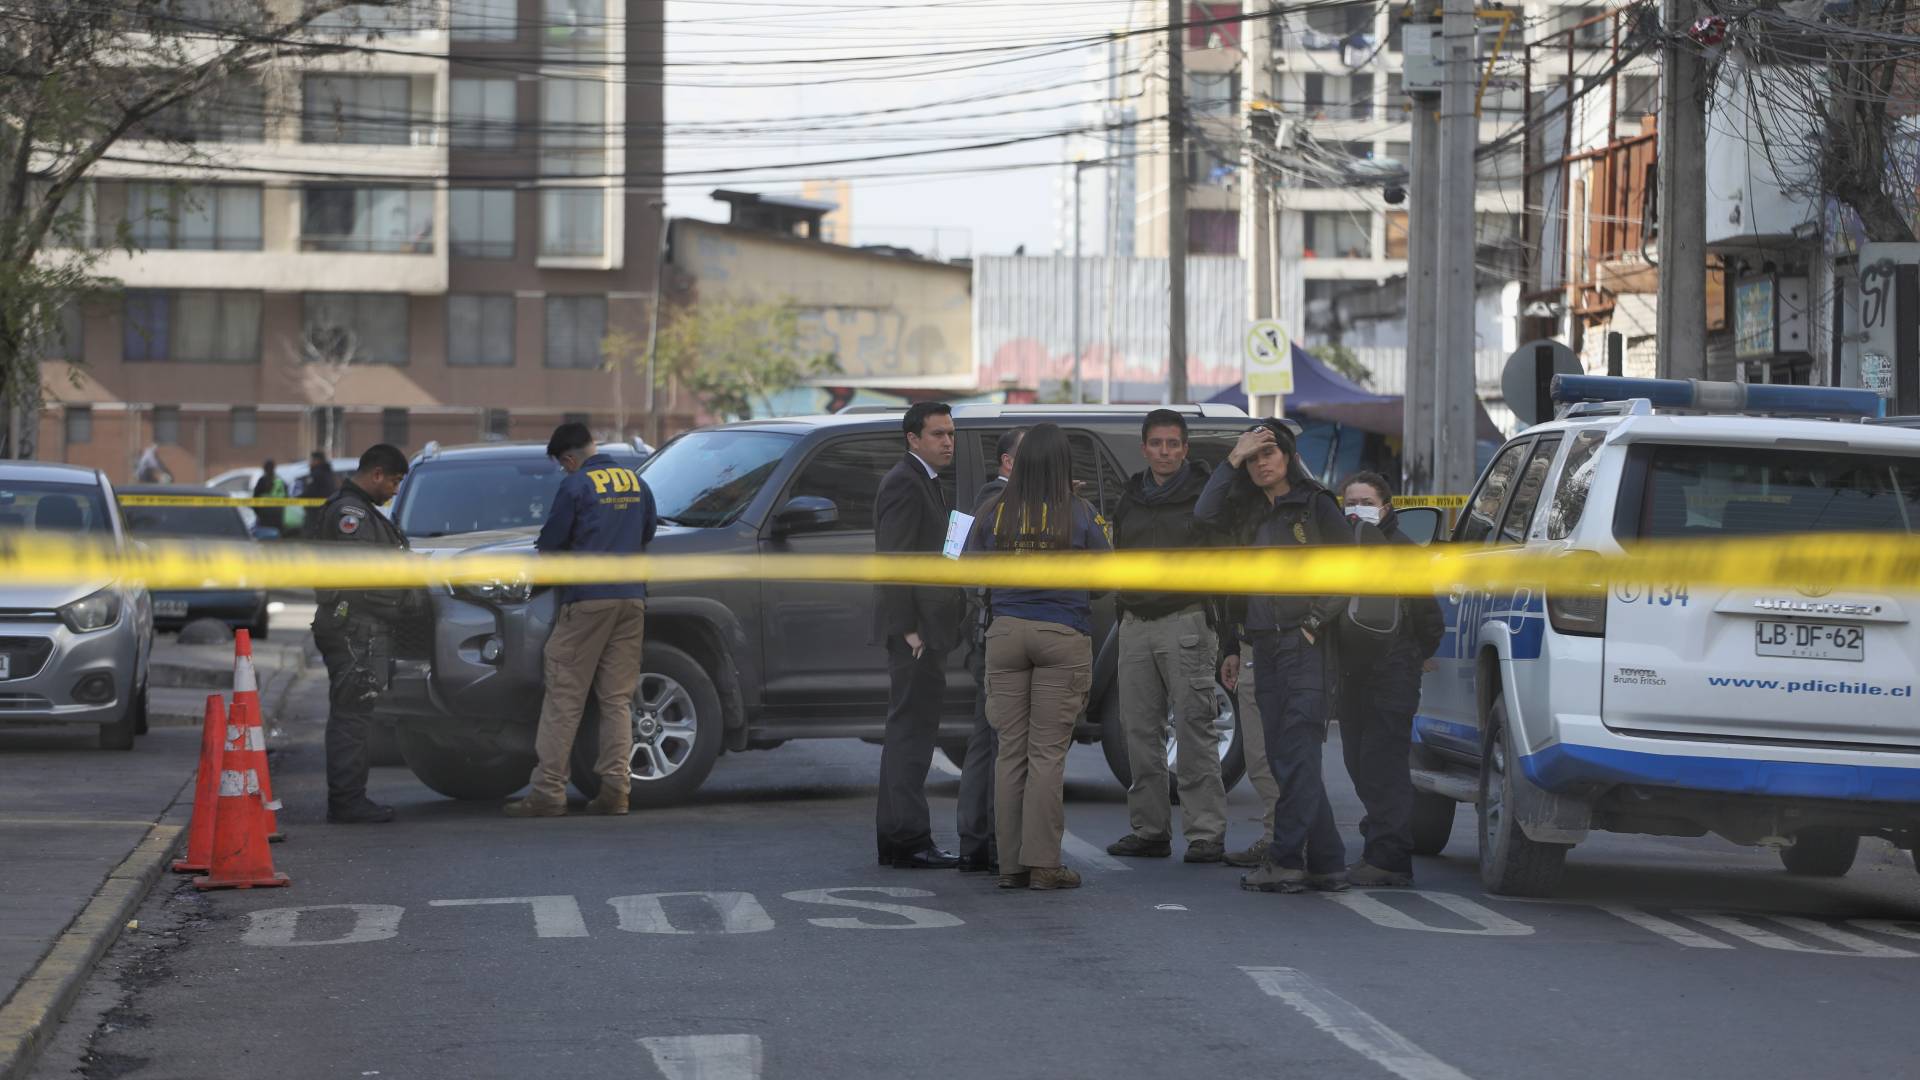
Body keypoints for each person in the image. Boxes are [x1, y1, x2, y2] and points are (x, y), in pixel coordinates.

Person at [1194, 420, 1353, 894]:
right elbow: (1203, 516)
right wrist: (1230, 458)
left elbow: (1352, 569)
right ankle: (1326, 863)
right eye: (1254, 456)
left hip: (1305, 646)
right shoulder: (1246, 513)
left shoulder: (1316, 504)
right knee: (1287, 757)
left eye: (1270, 452)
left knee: (1297, 755)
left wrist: (1313, 623)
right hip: (1262, 643)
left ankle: (1286, 861)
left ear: (1288, 456)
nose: (1262, 463)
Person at [965, 423, 1109, 891]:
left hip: (1005, 633)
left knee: (1010, 752)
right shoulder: (1081, 513)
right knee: (1047, 754)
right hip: (1062, 631)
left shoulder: (994, 511)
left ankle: (1010, 866)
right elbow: (1107, 579)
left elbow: (967, 569)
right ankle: (1045, 864)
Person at [505, 423, 658, 818]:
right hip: (631, 600)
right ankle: (615, 791)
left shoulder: (576, 486)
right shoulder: (635, 481)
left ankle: (548, 792)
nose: (564, 471)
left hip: (587, 601)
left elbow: (552, 544)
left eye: (562, 465)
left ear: (570, 458)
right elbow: (648, 531)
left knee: (564, 697)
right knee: (617, 700)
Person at [1106, 410, 1229, 864]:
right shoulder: (1131, 496)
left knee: (1195, 730)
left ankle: (1206, 834)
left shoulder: (1203, 497)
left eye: (1173, 444)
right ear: (1144, 448)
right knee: (1138, 733)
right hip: (1135, 624)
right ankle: (1150, 830)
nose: (1165, 452)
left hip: (1186, 622)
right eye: (1156, 444)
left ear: (1185, 449)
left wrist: (1226, 631)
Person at [1335, 472, 1446, 886]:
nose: (1355, 508)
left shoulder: (1404, 552)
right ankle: (1382, 832)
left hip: (1393, 672)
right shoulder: (1343, 548)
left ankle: (1389, 858)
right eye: (1349, 501)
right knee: (1356, 760)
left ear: (1385, 508)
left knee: (1383, 764)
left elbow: (1429, 619)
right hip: (1353, 672)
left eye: (1364, 501)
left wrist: (1413, 655)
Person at [871, 401, 965, 869]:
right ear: (913, 439)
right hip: (917, 635)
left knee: (909, 733)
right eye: (938, 434)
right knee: (911, 734)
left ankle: (898, 838)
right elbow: (894, 561)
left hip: (929, 627)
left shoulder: (928, 481)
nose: (948, 442)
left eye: (950, 434)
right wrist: (907, 628)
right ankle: (909, 840)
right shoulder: (905, 482)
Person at [310, 444, 415, 824]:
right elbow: (364, 576)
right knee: (351, 718)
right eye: (395, 481)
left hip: (358, 627)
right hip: (353, 629)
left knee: (354, 715)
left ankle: (349, 798)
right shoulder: (350, 514)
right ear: (377, 474)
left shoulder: (362, 511)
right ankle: (347, 801)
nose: (395, 490)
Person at [956, 426, 1026, 873]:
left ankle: (975, 840)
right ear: (1007, 463)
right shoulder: (999, 504)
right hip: (1001, 632)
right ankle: (995, 843)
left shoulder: (978, 502)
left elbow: (952, 560)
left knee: (987, 736)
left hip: (985, 632)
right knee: (1005, 740)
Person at [300, 451, 339, 540]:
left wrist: (299, 497)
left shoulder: (316, 474)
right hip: (327, 508)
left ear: (317, 461)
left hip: (315, 510)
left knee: (311, 533)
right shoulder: (329, 473)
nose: (310, 463)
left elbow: (310, 491)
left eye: (312, 460)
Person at [252, 460, 288, 538]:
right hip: (278, 516)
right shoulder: (280, 481)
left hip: (264, 516)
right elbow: (286, 496)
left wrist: (258, 512)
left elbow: (255, 499)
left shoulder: (262, 481)